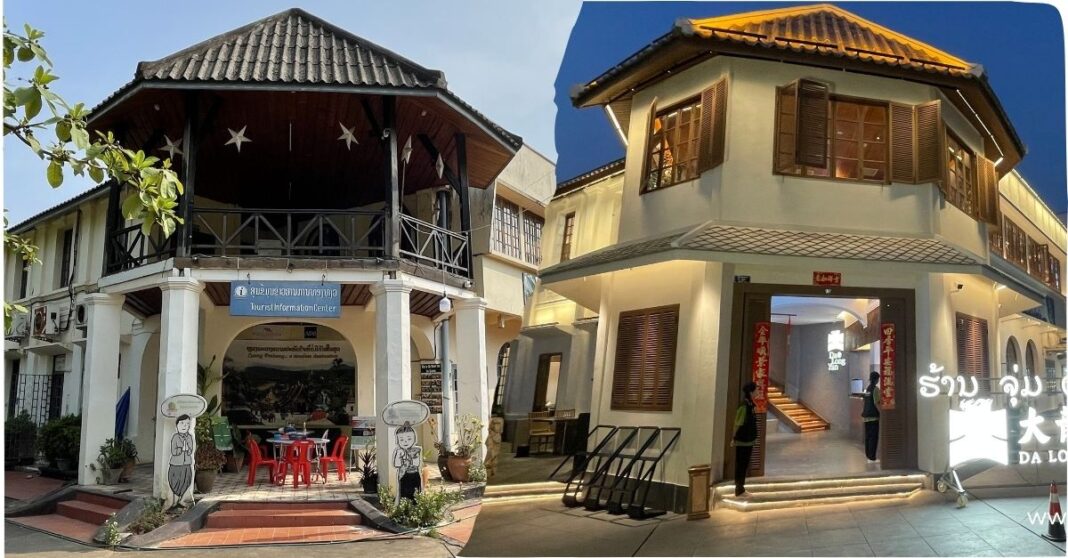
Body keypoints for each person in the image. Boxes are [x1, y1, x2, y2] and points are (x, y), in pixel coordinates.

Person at [732, 382, 758, 498]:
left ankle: (741, 487)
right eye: (756, 390)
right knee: (741, 464)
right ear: (751, 392)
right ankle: (739, 488)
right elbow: (737, 423)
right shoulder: (744, 406)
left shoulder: (751, 405)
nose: (757, 392)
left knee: (744, 464)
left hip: (749, 440)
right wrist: (733, 437)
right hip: (742, 440)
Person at [392, 422, 423, 503]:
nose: (405, 442)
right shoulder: (399, 451)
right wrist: (399, 456)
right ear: (397, 440)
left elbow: (416, 464)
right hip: (403, 476)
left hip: (414, 475)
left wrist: (411, 457)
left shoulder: (416, 450)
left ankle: (415, 507)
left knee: (415, 494)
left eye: (409, 439)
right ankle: (404, 507)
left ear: (414, 439)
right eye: (401, 439)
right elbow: (396, 464)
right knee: (403, 493)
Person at [168, 414, 194, 506]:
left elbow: (190, 450)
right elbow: (173, 451)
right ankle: (174, 500)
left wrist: (187, 449)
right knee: (175, 481)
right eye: (182, 423)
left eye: (187, 424)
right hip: (176, 464)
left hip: (186, 463)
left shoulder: (189, 437)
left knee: (186, 481)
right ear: (177, 425)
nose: (184, 426)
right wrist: (181, 449)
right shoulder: (175, 437)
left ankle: (182, 500)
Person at [862, 371, 881, 462]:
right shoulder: (875, 389)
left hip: (866, 416)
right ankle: (872, 457)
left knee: (868, 437)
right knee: (873, 437)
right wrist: (882, 413)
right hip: (873, 417)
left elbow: (865, 401)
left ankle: (868, 456)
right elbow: (877, 403)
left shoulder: (867, 389)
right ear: (877, 379)